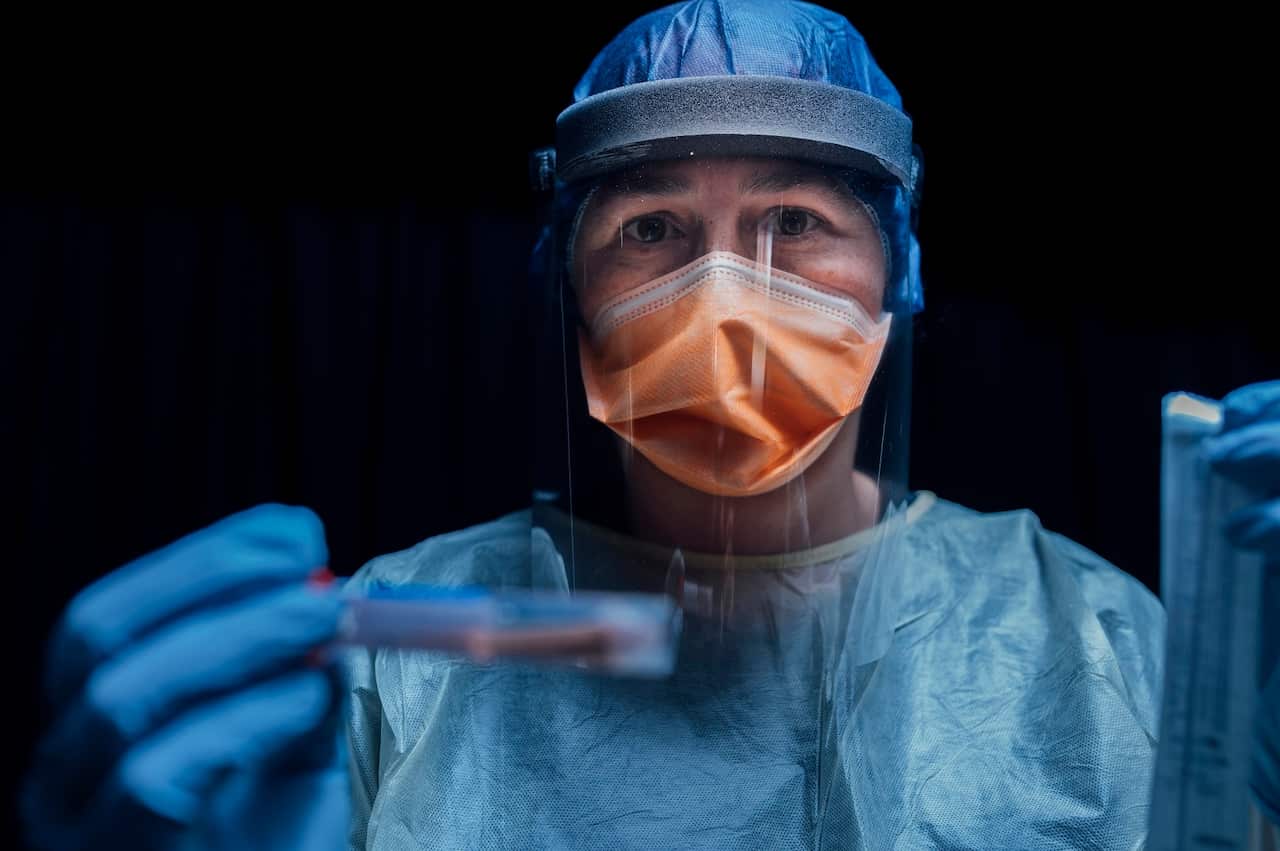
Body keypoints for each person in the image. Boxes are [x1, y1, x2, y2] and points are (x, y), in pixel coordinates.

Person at [20, 2, 1280, 849]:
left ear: (896, 280)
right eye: (651, 232)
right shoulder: (415, 632)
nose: (724, 297)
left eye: (795, 222)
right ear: (566, 290)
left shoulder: (1088, 632)